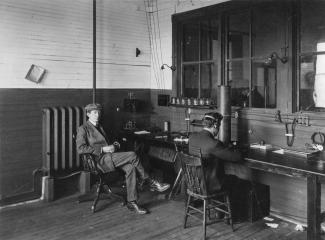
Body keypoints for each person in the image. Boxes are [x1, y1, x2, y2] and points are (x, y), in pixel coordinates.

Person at [76, 103, 170, 215]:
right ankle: (150, 181)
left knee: (131, 168)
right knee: (133, 155)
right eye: (94, 113)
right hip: (99, 161)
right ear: (88, 114)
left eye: (98, 112)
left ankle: (132, 202)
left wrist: (115, 146)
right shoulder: (83, 128)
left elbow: (115, 141)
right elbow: (80, 149)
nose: (97, 115)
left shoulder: (100, 126)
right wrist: (102, 149)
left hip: (111, 157)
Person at [188, 112, 242, 193]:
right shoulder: (214, 143)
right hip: (209, 185)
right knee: (240, 180)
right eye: (219, 126)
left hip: (193, 183)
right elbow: (237, 157)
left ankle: (213, 203)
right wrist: (238, 149)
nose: (219, 129)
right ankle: (223, 204)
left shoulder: (192, 137)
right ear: (215, 125)